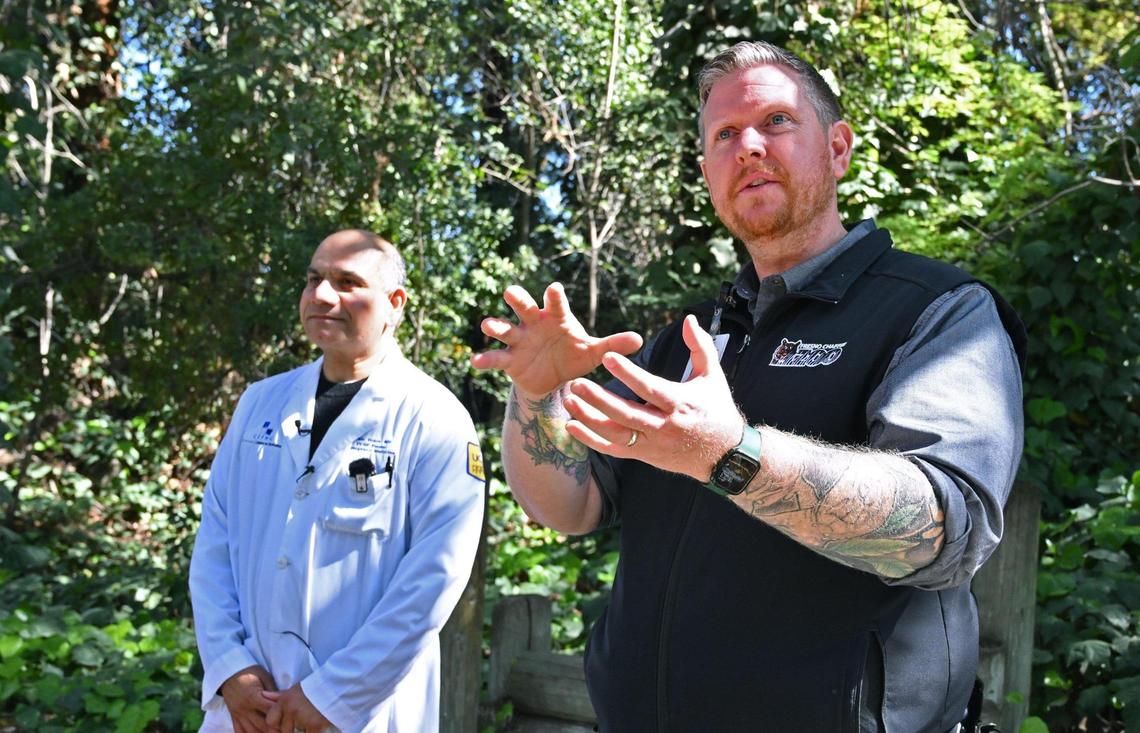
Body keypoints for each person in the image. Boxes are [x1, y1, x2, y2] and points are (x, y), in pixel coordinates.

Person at [472, 41, 1025, 733]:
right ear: (707, 171)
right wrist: (538, 393)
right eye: (725, 135)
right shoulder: (685, 336)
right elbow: (574, 505)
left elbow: (942, 529)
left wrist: (732, 455)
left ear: (839, 147)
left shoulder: (936, 310)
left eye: (777, 121)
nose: (750, 146)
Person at [190, 229, 485, 733]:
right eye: (314, 280)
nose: (323, 296)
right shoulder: (260, 404)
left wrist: (334, 695)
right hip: (248, 710)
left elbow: (434, 581)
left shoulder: (435, 419)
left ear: (395, 303)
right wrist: (230, 670)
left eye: (348, 282)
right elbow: (215, 545)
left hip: (362, 714)